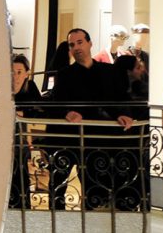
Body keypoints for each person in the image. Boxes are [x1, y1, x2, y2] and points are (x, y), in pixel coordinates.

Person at [45, 29, 138, 211]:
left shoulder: (108, 72)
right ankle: (56, 226)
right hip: (69, 139)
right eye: (72, 45)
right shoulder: (65, 74)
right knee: (58, 185)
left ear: (89, 43)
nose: (76, 47)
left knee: (94, 186)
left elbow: (118, 98)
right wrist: (68, 112)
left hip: (97, 140)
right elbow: (56, 102)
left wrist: (122, 113)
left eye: (80, 42)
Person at [10, 54, 43, 208]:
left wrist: (20, 113)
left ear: (26, 73)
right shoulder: (2, 88)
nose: (15, 76)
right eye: (12, 72)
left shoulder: (30, 88)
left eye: (19, 72)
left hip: (19, 141)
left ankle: (21, 205)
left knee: (20, 172)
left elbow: (41, 110)